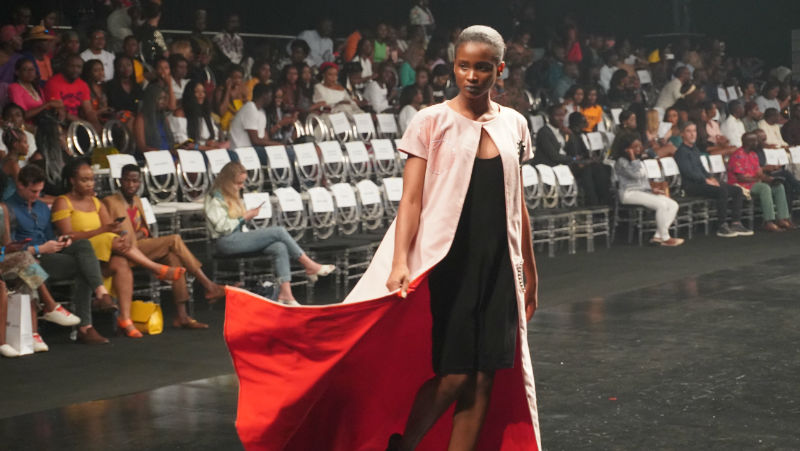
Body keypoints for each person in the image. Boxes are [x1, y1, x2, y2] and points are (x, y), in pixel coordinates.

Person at [379, 25, 540, 450]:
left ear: (499, 70)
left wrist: (530, 272)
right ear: (453, 66)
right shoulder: (430, 121)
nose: (471, 75)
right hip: (452, 265)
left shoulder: (515, 124)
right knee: (454, 376)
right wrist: (400, 261)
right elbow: (410, 199)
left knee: (485, 376)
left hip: (501, 267)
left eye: (482, 67)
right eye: (463, 66)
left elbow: (518, 204)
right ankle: (403, 445)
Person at [51, 158, 188, 338]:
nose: (90, 183)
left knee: (120, 261)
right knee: (110, 239)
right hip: (76, 249)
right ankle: (155, 268)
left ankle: (125, 319)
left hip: (102, 250)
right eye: (84, 180)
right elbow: (67, 236)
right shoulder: (62, 202)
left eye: (91, 179)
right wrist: (103, 231)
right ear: (72, 181)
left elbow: (110, 229)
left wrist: (118, 233)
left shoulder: (96, 202)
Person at [103, 164, 225, 327]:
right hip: (125, 251)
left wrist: (138, 234)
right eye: (127, 180)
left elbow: (145, 230)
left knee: (174, 258)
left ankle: (182, 316)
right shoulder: (110, 202)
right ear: (120, 181)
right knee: (174, 239)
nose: (131, 185)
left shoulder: (137, 201)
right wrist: (134, 236)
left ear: (140, 182)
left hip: (141, 246)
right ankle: (208, 285)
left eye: (135, 181)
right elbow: (112, 230)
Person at [9, 164, 113, 345]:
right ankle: (84, 325)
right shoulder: (8, 208)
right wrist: (40, 248)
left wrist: (61, 241)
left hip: (48, 254)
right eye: (33, 191)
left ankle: (100, 294)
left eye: (40, 191)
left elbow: (50, 236)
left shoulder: (41, 207)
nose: (37, 196)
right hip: (26, 256)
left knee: (83, 247)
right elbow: (9, 247)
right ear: (20, 186)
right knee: (83, 265)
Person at [204, 162, 334, 305]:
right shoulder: (215, 198)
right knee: (278, 231)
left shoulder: (232, 195)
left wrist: (246, 220)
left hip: (237, 237)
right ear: (227, 181)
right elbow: (222, 227)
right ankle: (309, 265)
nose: (242, 186)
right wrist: (245, 217)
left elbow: (238, 225)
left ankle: (286, 294)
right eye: (238, 183)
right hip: (225, 241)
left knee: (279, 246)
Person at [674, 121, 752, 238]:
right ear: (682, 134)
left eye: (694, 131)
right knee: (721, 191)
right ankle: (722, 225)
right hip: (691, 186)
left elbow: (701, 168)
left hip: (703, 182)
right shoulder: (681, 152)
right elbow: (688, 172)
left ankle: (736, 223)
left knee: (737, 191)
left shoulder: (695, 149)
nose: (692, 134)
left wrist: (711, 178)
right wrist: (706, 180)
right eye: (688, 131)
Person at [614, 133, 684, 246]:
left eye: (639, 146)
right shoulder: (621, 162)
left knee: (673, 205)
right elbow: (636, 175)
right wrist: (632, 158)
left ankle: (658, 236)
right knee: (661, 205)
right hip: (628, 193)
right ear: (626, 149)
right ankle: (665, 237)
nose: (638, 149)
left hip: (641, 191)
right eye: (634, 147)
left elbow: (643, 180)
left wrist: (651, 190)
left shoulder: (638, 160)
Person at [727, 132, 793, 232]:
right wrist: (759, 180)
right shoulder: (738, 155)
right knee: (764, 188)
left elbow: (759, 173)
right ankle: (768, 221)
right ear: (748, 142)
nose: (757, 143)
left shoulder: (753, 155)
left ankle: (782, 218)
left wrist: (769, 179)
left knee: (778, 186)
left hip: (754, 182)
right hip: (741, 185)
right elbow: (740, 178)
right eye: (755, 141)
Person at [564, 112, 612, 206]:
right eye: (584, 121)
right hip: (572, 165)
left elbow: (584, 152)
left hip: (582, 162)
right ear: (577, 123)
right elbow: (573, 155)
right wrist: (587, 160)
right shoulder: (569, 135)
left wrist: (591, 158)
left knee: (602, 167)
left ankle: (604, 199)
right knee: (589, 170)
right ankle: (593, 202)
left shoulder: (579, 135)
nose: (586, 123)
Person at [43, 54, 100, 130]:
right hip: (59, 123)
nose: (75, 70)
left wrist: (96, 124)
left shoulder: (83, 84)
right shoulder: (53, 83)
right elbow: (62, 111)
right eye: (72, 66)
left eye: (79, 67)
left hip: (77, 122)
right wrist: (86, 125)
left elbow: (88, 110)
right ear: (65, 66)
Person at [169, 80, 226, 150]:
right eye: (197, 92)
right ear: (190, 94)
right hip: (189, 152)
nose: (201, 95)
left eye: (203, 92)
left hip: (206, 149)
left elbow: (213, 135)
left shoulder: (205, 112)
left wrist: (211, 143)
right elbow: (184, 144)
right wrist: (205, 147)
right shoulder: (180, 113)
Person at [229, 83, 280, 148]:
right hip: (241, 150)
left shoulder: (261, 111)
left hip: (253, 150)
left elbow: (265, 138)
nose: (271, 99)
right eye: (270, 96)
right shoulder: (250, 108)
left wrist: (277, 145)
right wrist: (278, 144)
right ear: (264, 95)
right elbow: (255, 141)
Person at [8, 58, 60, 123]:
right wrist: (47, 104)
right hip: (26, 126)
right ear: (17, 72)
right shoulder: (15, 88)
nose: (30, 72)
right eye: (25, 69)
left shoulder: (37, 88)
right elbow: (22, 115)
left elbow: (45, 109)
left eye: (32, 69)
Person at [134, 83, 173, 153]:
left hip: (169, 154)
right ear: (151, 99)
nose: (163, 102)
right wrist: (162, 153)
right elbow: (141, 147)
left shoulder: (164, 118)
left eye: (164, 98)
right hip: (154, 155)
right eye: (160, 98)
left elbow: (170, 142)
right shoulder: (141, 119)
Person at [105, 54, 143, 122]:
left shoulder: (137, 87)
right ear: (116, 68)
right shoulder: (110, 86)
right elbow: (107, 108)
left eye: (128, 65)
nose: (126, 68)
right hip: (116, 121)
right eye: (121, 66)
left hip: (135, 120)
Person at [215, 64, 246, 131]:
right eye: (234, 78)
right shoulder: (220, 90)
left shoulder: (242, 89)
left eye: (240, 78)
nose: (237, 81)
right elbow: (221, 112)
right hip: (223, 126)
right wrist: (228, 90)